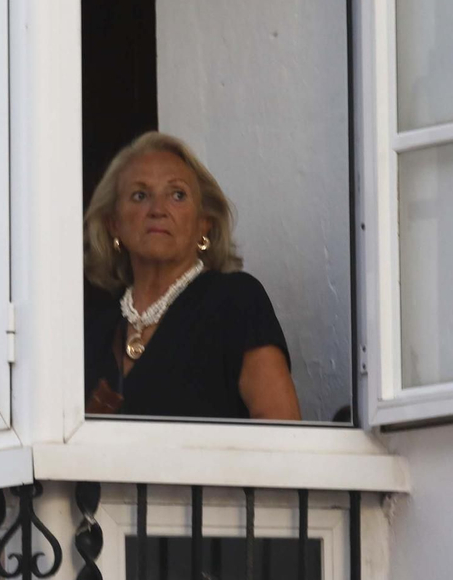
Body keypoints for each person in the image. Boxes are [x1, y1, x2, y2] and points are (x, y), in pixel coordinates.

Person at [84, 132, 300, 420]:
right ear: (114, 225)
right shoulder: (93, 330)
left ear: (203, 225)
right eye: (140, 195)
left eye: (177, 195)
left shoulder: (235, 302)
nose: (157, 210)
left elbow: (282, 432)